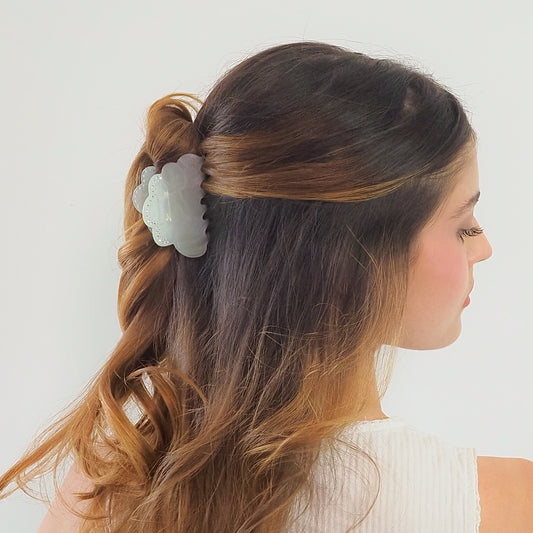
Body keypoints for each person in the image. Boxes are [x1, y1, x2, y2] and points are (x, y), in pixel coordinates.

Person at [0, 41, 531, 533]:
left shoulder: (107, 488)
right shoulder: (500, 505)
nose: (483, 247)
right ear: (346, 265)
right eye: (464, 225)